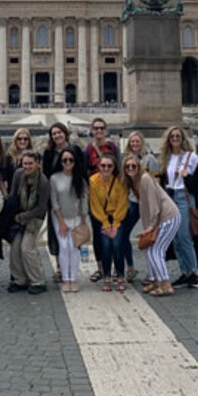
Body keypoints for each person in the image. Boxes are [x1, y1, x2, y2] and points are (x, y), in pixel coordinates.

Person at [122, 154, 180, 296]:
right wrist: (147, 227)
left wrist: (151, 226)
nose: (130, 168)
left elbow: (153, 205)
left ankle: (165, 284)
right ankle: (155, 281)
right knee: (150, 250)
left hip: (168, 217)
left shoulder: (145, 179)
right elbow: (144, 207)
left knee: (156, 251)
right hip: (159, 219)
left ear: (139, 167)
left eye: (133, 166)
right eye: (127, 166)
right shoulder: (134, 182)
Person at [158, 126, 198, 289]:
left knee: (184, 236)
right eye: (172, 137)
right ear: (168, 140)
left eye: (178, 136)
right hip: (170, 197)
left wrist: (187, 177)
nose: (175, 139)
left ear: (183, 139)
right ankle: (185, 273)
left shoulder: (191, 157)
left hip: (183, 197)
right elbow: (162, 179)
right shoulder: (166, 158)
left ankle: (193, 272)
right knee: (175, 237)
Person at [42, 122, 83, 282]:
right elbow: (46, 175)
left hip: (74, 198)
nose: (57, 136)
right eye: (54, 134)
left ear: (65, 133)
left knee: (74, 237)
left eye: (59, 132)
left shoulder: (76, 150)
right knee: (56, 234)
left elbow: (82, 172)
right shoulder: (49, 153)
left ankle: (72, 270)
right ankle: (60, 267)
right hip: (55, 198)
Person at [7, 151, 49, 295]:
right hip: (18, 215)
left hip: (35, 217)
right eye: (25, 163)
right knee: (15, 246)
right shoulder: (18, 175)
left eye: (30, 163)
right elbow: (13, 195)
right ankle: (19, 279)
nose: (28, 166)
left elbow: (42, 207)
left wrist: (24, 216)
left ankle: (37, 280)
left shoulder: (43, 181)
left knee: (27, 247)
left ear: (37, 163)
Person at [84, 117, 120, 282]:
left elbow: (119, 169)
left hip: (112, 196)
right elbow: (85, 172)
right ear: (92, 130)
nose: (98, 131)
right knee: (98, 234)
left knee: (113, 232)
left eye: (101, 128)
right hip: (95, 197)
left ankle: (111, 267)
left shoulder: (112, 147)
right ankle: (100, 268)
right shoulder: (88, 149)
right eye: (95, 128)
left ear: (105, 130)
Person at [50, 143, 89, 292]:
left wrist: (83, 221)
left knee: (74, 247)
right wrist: (61, 222)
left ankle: (73, 278)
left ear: (75, 162)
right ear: (60, 162)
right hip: (60, 217)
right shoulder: (54, 178)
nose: (67, 163)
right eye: (64, 160)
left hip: (77, 217)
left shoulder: (80, 179)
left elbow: (84, 201)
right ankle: (65, 279)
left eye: (70, 160)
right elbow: (54, 201)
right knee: (64, 247)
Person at [122, 131, 159, 282]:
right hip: (133, 202)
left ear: (142, 143)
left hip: (148, 203)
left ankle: (154, 274)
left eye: (137, 141)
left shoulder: (150, 159)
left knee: (151, 237)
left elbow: (157, 182)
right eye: (132, 142)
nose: (135, 144)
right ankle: (130, 267)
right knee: (123, 232)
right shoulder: (126, 160)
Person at [88, 152, 129, 292]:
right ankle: (106, 276)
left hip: (117, 217)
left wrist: (116, 223)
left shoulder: (120, 181)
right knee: (105, 246)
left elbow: (123, 203)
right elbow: (95, 205)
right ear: (99, 166)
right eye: (103, 165)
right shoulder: (93, 181)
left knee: (117, 245)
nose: (106, 168)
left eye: (109, 166)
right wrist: (105, 223)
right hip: (102, 217)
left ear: (113, 167)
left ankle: (120, 275)